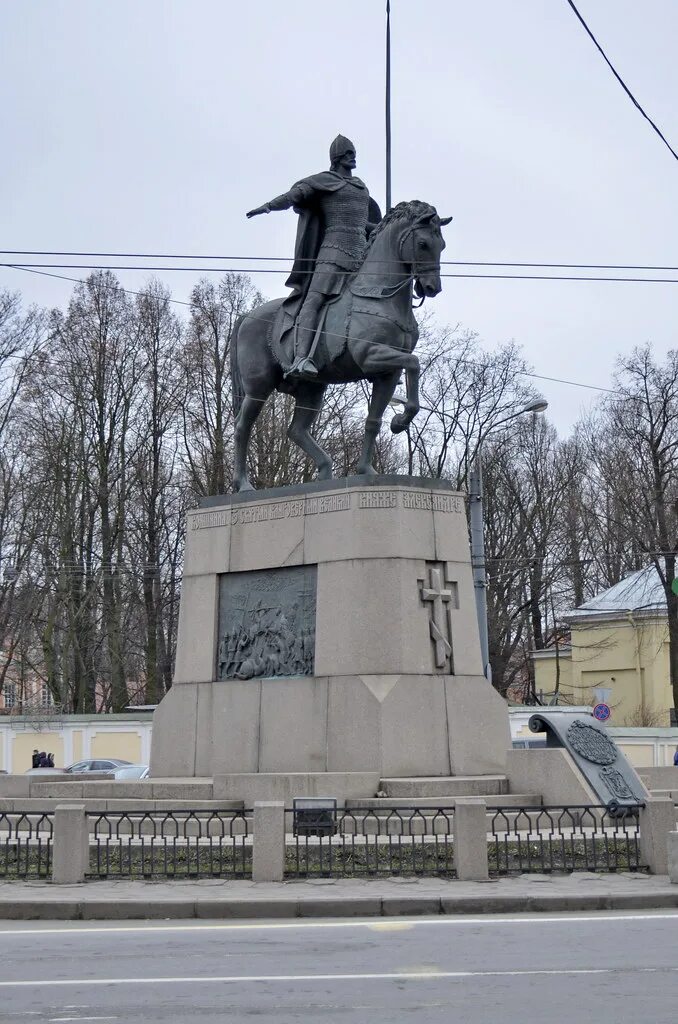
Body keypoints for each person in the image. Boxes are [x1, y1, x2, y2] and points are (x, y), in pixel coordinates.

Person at [246, 134, 381, 380]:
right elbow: (293, 196)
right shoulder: (325, 181)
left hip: (360, 256)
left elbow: (363, 224)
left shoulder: (362, 187)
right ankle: (301, 358)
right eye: (348, 154)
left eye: (354, 153)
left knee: (372, 303)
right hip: (333, 253)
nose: (353, 158)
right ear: (337, 158)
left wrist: (386, 228)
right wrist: (267, 206)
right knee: (313, 301)